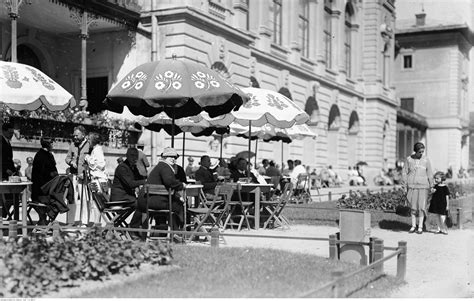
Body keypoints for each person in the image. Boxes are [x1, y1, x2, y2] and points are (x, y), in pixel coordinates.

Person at [130, 147, 186, 241]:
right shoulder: (165, 167)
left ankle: (174, 232)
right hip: (153, 201)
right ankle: (176, 232)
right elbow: (169, 182)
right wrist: (181, 185)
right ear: (164, 157)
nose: (173, 159)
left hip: (147, 200)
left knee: (177, 202)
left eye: (175, 157)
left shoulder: (160, 166)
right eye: (170, 156)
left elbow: (167, 186)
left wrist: (177, 196)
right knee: (179, 206)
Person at [402, 142, 433, 234]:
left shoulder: (426, 160)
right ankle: (413, 226)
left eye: (422, 152)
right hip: (412, 186)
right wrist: (404, 186)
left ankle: (420, 227)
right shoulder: (409, 159)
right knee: (413, 207)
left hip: (423, 187)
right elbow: (404, 172)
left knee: (421, 207)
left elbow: (430, 173)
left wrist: (431, 185)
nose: (421, 154)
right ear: (415, 151)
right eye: (420, 152)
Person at [65, 125, 90, 223]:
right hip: (73, 175)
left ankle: (84, 222)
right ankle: (70, 221)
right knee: (71, 199)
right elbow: (67, 158)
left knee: (84, 200)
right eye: (74, 135)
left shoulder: (89, 145)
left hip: (83, 177)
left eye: (77, 135)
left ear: (83, 135)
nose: (75, 137)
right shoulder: (72, 145)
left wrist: (85, 172)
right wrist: (71, 162)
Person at [31, 138, 59, 225]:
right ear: (47, 144)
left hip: (46, 188)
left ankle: (43, 219)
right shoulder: (42, 156)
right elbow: (42, 175)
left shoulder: (46, 155)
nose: (54, 144)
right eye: (52, 143)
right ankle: (43, 219)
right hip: (42, 190)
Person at [84, 132, 108, 223]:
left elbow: (100, 164)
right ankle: (96, 222)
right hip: (96, 179)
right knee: (95, 202)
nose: (88, 142)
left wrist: (88, 158)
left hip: (98, 180)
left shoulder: (97, 150)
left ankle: (97, 223)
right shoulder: (95, 150)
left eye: (89, 140)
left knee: (97, 202)